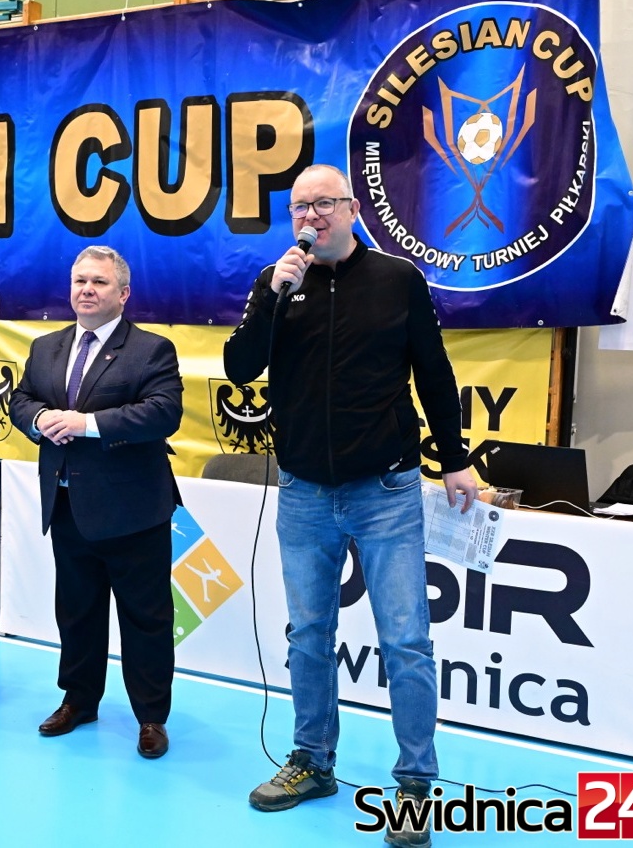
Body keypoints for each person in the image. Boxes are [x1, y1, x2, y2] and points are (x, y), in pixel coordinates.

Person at [224, 164, 477, 847]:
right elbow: (241, 367)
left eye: (324, 204)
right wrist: (272, 298)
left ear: (353, 209)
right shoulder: (276, 282)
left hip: (385, 490)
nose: (310, 217)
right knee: (308, 634)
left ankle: (415, 784)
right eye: (299, 207)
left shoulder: (397, 279)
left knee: (405, 640)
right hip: (303, 491)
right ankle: (311, 761)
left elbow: (433, 371)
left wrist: (454, 457)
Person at [9, 245, 183, 759]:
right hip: (67, 506)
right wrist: (39, 419)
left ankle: (151, 717)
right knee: (77, 613)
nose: (86, 289)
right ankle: (79, 700)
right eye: (80, 280)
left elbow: (164, 412)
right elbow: (21, 400)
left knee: (146, 619)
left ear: (123, 294)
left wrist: (87, 424)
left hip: (134, 513)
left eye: (99, 282)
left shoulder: (152, 349)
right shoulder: (46, 347)